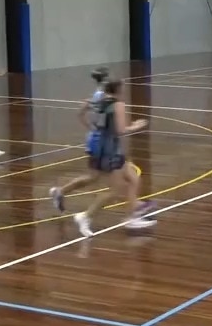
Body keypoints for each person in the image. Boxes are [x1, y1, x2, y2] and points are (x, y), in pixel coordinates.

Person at [49, 71, 154, 235]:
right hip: (110, 149)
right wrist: (137, 126)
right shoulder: (117, 104)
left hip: (99, 144)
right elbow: (121, 130)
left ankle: (134, 212)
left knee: (131, 178)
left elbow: (80, 113)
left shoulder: (98, 99)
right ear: (118, 89)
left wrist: (93, 129)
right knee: (115, 189)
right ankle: (86, 216)